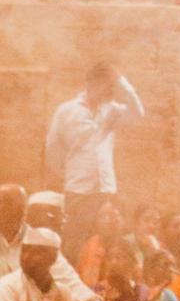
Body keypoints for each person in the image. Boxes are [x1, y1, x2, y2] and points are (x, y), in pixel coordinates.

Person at [44, 62, 144, 252]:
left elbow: (138, 113)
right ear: (92, 83)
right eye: (108, 85)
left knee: (108, 245)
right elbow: (52, 149)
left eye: (113, 86)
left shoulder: (112, 110)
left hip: (106, 190)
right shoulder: (66, 111)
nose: (111, 91)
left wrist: (121, 80)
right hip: (78, 192)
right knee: (77, 244)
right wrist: (66, 176)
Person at [75, 199, 125, 288]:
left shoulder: (127, 249)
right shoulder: (88, 247)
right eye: (102, 216)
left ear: (122, 220)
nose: (107, 221)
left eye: (112, 215)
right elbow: (77, 279)